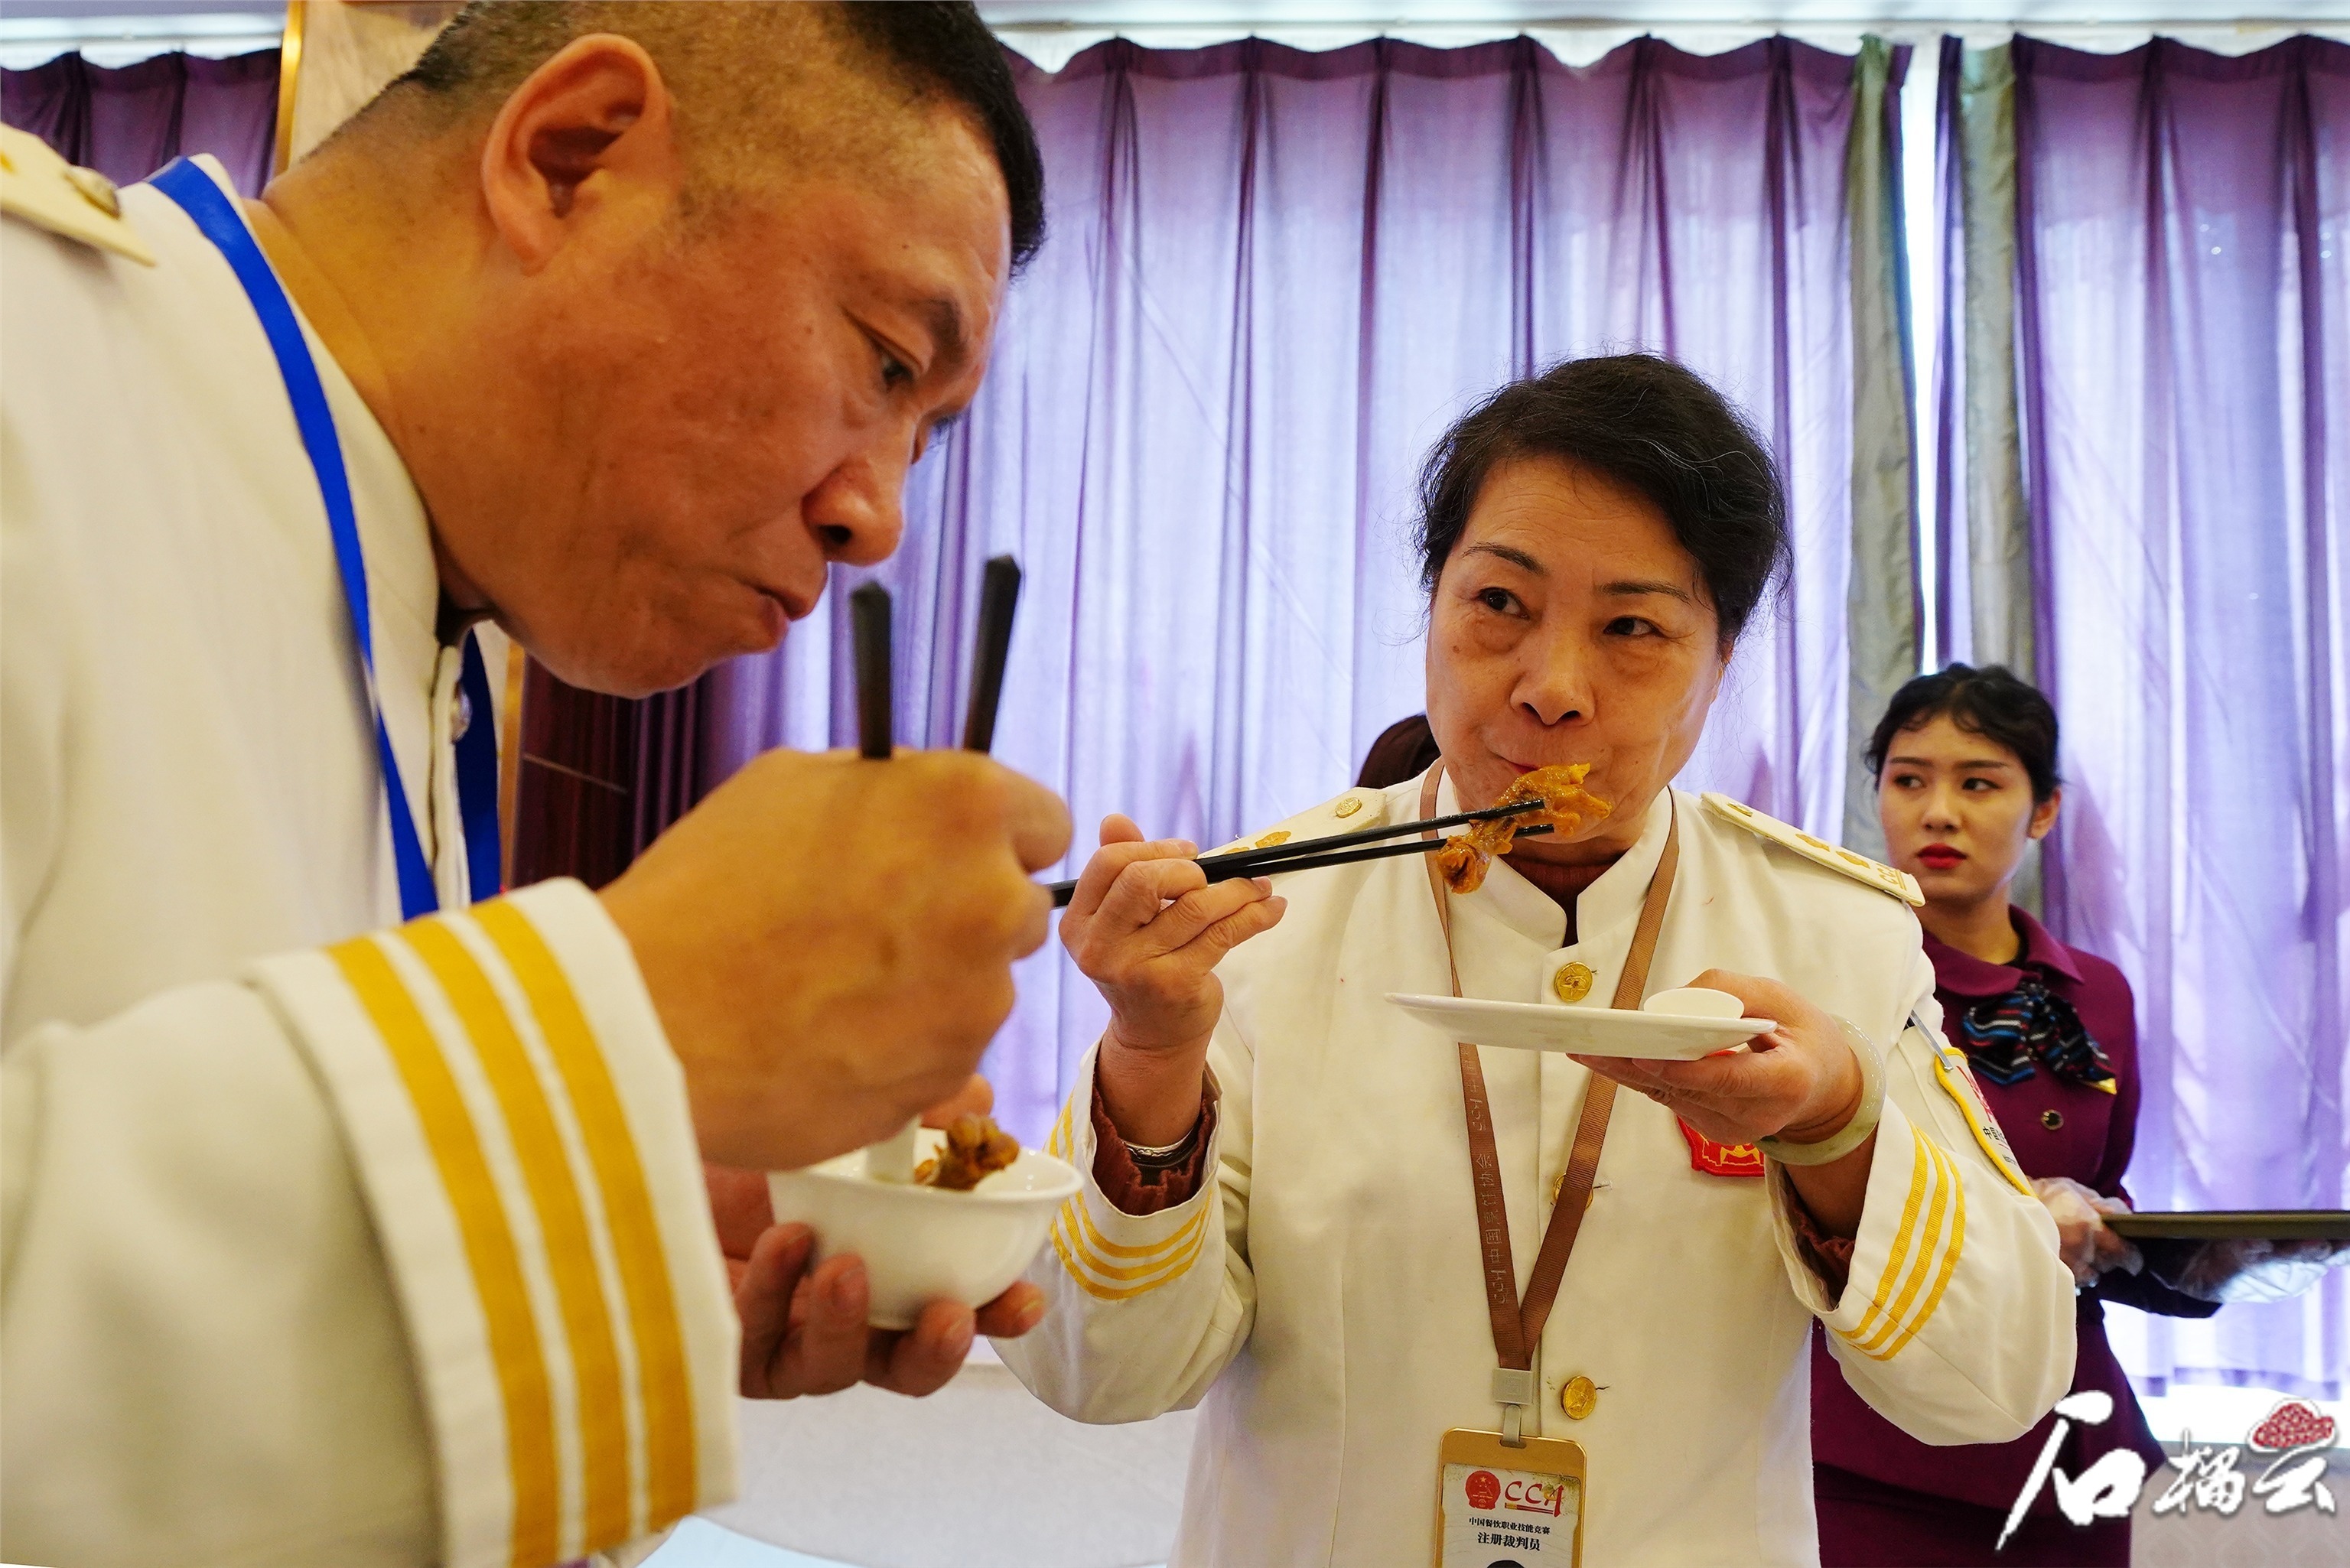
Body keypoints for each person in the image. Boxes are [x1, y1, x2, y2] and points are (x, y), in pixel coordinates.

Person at [0, 5, 1072, 1566]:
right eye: (886, 359)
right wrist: (618, 1026)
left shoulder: (413, 598)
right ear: (568, 160)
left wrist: (596, 1210)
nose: (879, 518)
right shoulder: (33, 371)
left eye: (927, 432)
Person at [998, 355, 2077, 1565]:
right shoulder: (1263, 920)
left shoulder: (1835, 935)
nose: (1551, 688)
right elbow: (1097, 1369)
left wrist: (1835, 1126)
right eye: (1499, 604)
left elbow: (1999, 1383)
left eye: (1632, 628)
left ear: (1720, 666)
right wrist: (1151, 1055)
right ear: (1434, 607)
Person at [1811, 664, 2336, 1566]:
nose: (1939, 811)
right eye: (1908, 779)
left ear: (2044, 810)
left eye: (1979, 781)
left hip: (2063, 1430)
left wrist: (2196, 1258)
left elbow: (2095, 1199)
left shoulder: (2097, 994)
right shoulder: (1832, 975)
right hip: (1877, 1439)